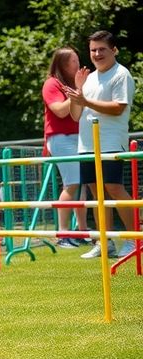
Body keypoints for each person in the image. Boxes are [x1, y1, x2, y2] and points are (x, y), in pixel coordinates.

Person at [67, 30, 137, 259]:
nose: (97, 54)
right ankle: (103, 242)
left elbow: (118, 107)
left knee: (114, 188)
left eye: (102, 49)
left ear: (114, 50)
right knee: (96, 194)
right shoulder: (89, 77)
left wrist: (84, 99)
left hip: (111, 143)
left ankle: (134, 238)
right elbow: (76, 115)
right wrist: (78, 93)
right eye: (93, 50)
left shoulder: (121, 74)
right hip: (86, 145)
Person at [42, 47, 89, 249]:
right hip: (61, 138)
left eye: (78, 61)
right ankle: (63, 234)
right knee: (72, 184)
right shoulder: (52, 83)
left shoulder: (72, 84)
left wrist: (80, 91)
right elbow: (60, 111)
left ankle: (82, 231)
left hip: (78, 137)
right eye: (73, 62)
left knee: (82, 184)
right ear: (62, 64)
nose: (78, 66)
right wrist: (79, 93)